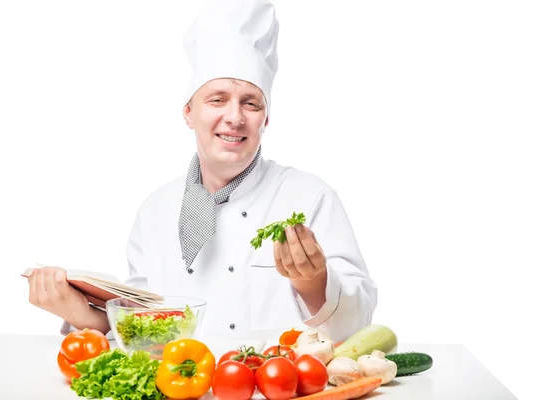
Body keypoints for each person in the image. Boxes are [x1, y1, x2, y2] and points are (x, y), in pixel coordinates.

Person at [27, 0, 377, 344]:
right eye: (217, 99)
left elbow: (360, 323)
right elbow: (143, 330)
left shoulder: (309, 197)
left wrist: (315, 283)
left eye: (250, 103)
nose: (235, 117)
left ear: (265, 120)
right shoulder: (156, 210)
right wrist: (78, 311)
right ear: (189, 113)